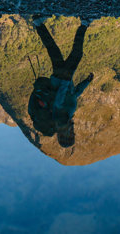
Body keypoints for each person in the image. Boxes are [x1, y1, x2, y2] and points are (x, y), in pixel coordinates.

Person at [27, 16, 94, 147]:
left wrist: (65, 81)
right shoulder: (64, 122)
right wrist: (86, 82)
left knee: (76, 54)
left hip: (62, 79)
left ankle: (84, 23)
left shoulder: (61, 122)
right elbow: (74, 95)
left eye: (70, 136)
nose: (73, 134)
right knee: (53, 50)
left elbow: (59, 101)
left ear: (65, 136)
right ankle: (38, 24)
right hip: (58, 79)